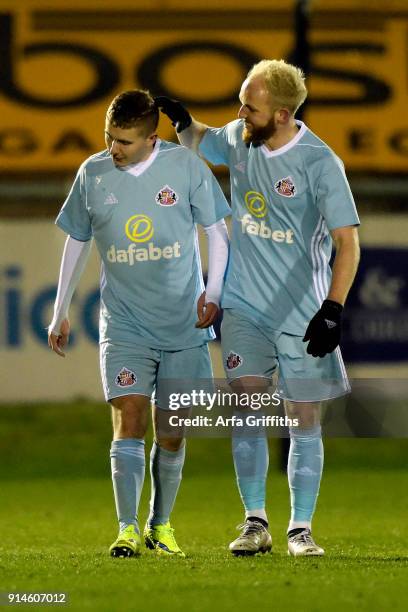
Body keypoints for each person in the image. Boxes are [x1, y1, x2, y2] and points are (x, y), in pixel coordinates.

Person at [156, 58, 360, 557]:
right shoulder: (240, 138)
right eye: (241, 103)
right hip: (245, 305)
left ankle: (301, 529)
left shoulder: (320, 163)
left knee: (302, 417)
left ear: (284, 114)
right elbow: (202, 138)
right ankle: (255, 522)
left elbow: (347, 243)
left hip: (302, 312)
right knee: (246, 407)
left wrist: (333, 308)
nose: (240, 113)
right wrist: (183, 121)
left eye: (251, 107)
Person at [48, 89, 230, 558]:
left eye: (125, 142)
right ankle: (126, 528)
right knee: (128, 417)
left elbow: (216, 232)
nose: (114, 149)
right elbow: (77, 240)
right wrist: (59, 309)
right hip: (124, 323)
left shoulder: (185, 167)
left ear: (152, 138)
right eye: (109, 138)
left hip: (183, 324)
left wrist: (212, 295)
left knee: (171, 429)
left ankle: (160, 524)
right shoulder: (92, 172)